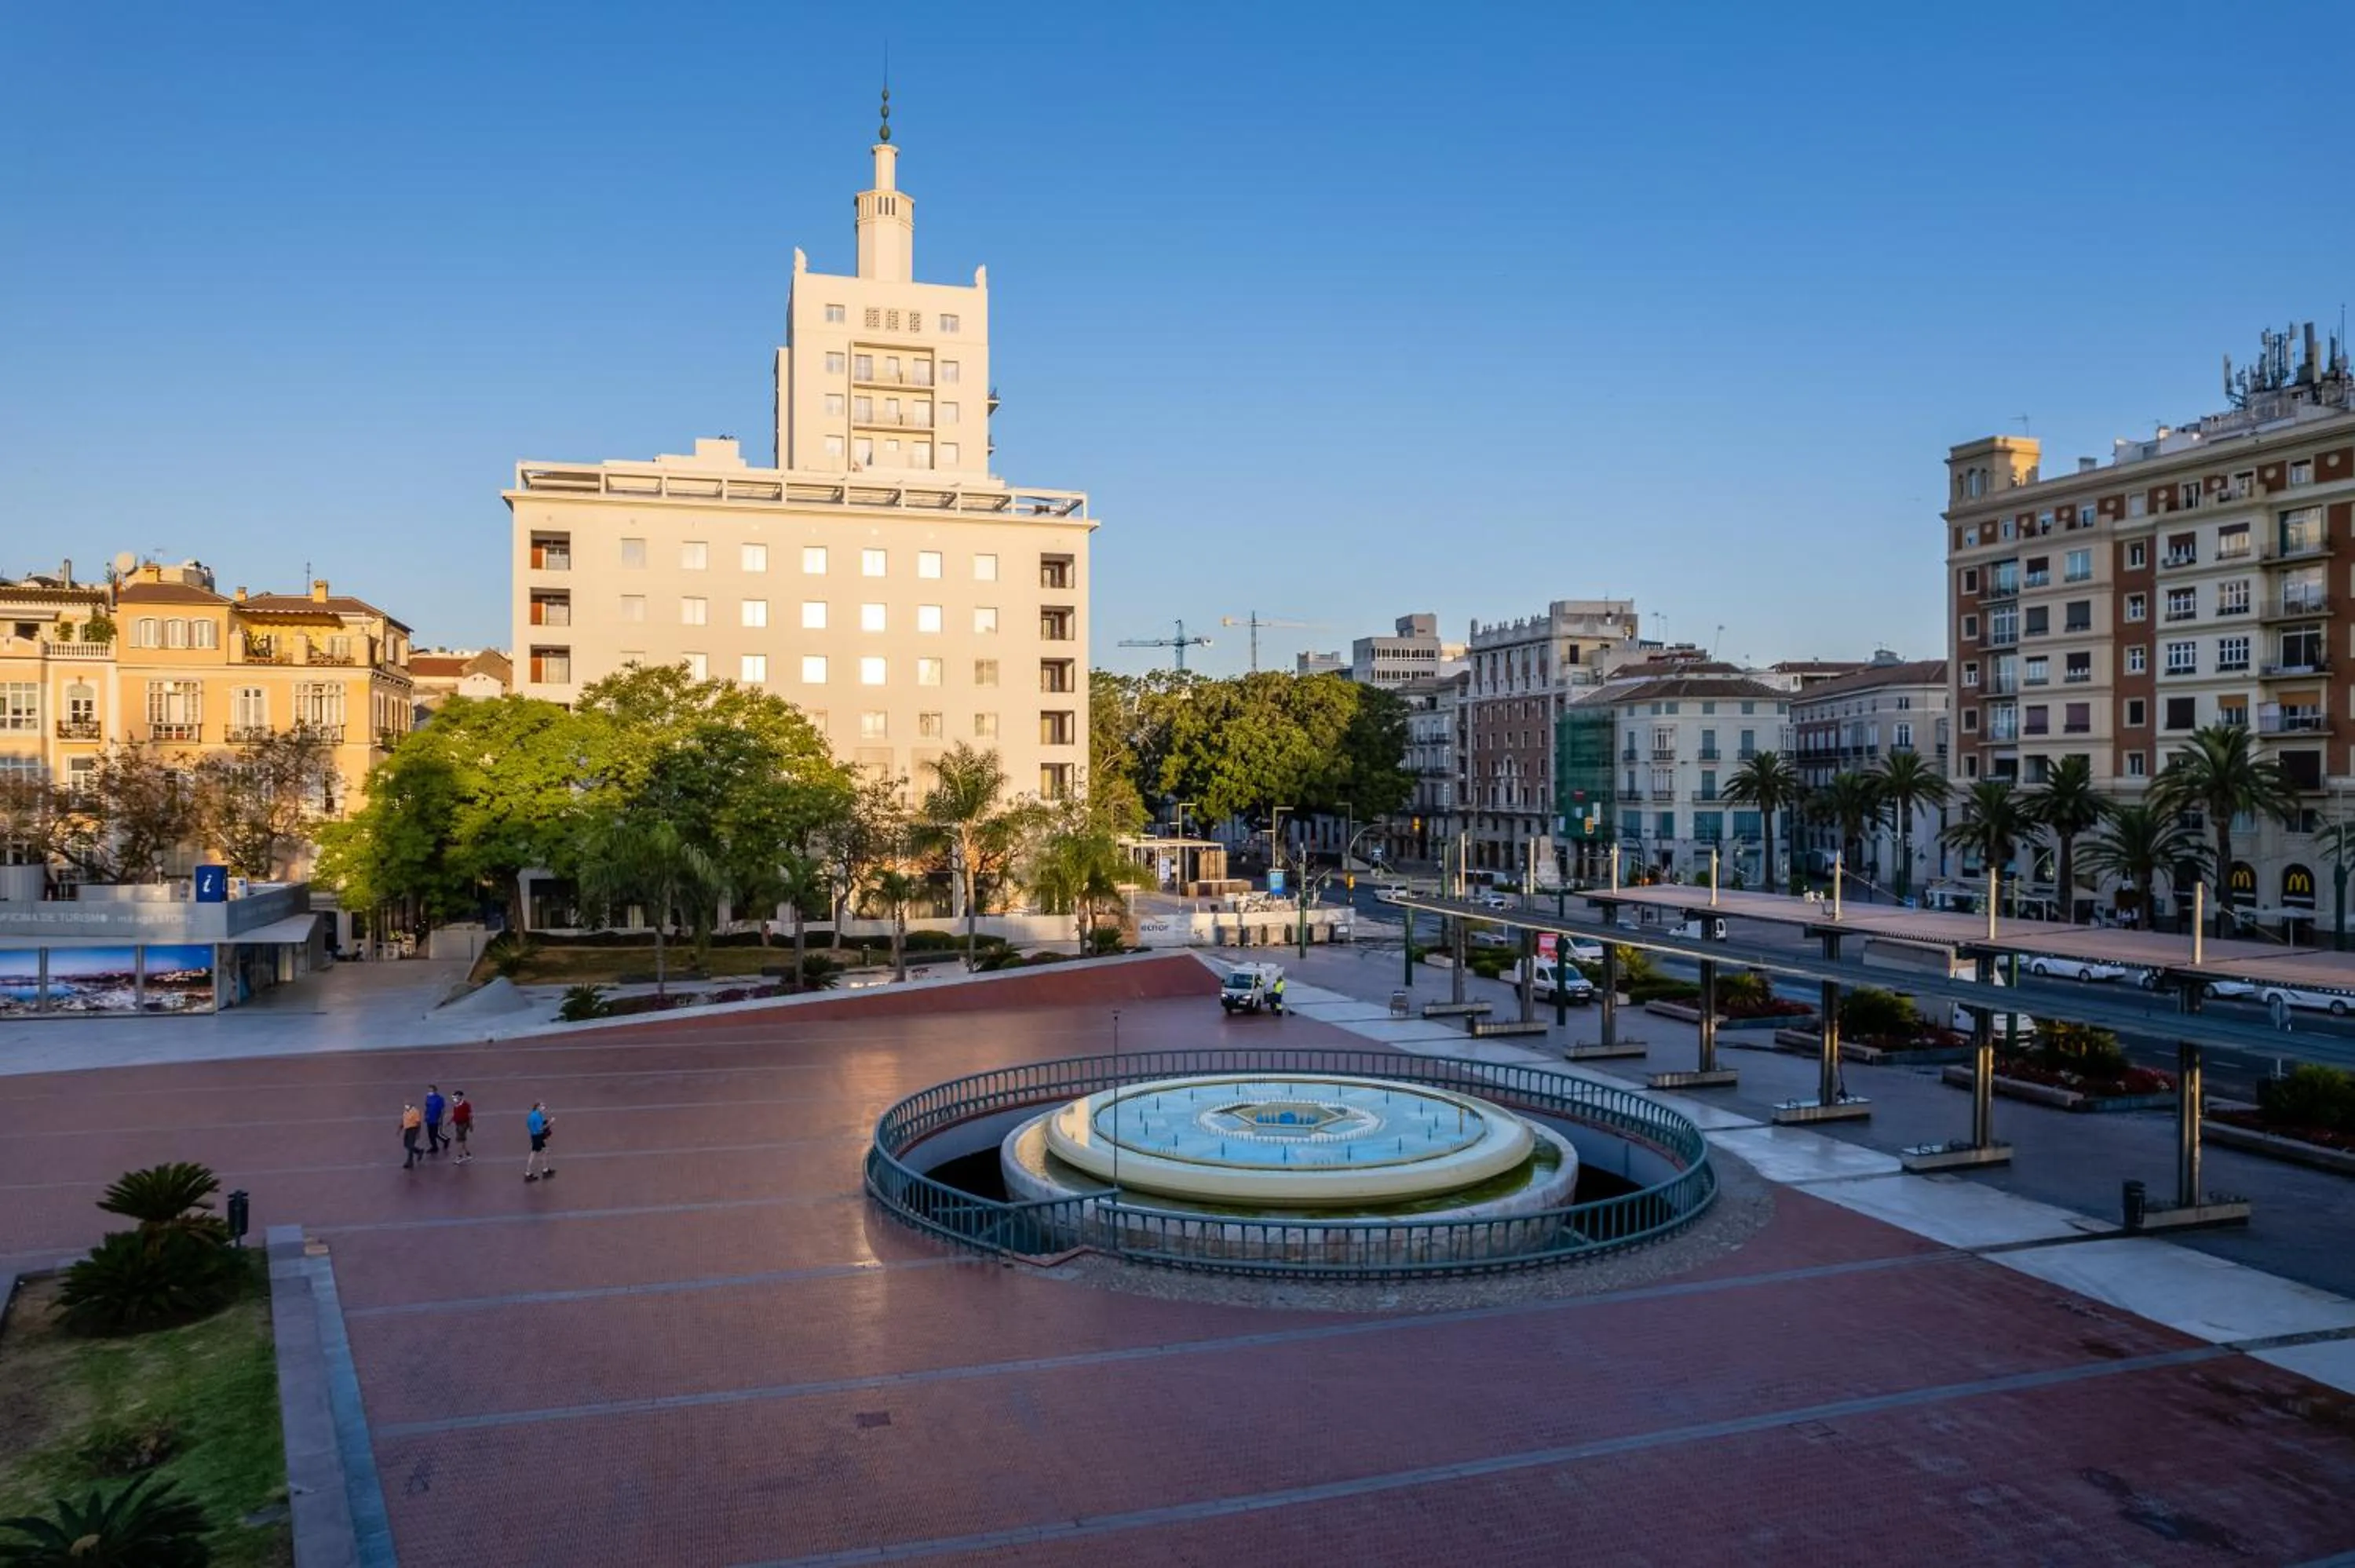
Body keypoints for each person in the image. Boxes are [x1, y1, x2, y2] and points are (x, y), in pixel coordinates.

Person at [524, 1101, 556, 1183]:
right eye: (542, 1106)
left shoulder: (535, 1114)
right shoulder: (537, 1117)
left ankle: (545, 1170)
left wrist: (546, 1122)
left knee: (545, 1150)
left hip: (535, 1135)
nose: (544, 1108)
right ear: (538, 1107)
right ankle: (528, 1173)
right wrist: (550, 1123)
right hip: (537, 1136)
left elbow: (538, 1122)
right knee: (533, 1153)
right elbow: (541, 1129)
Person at [449, 1090, 474, 1164]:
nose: (454, 1098)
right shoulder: (456, 1104)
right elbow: (455, 1114)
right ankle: (468, 1154)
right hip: (458, 1124)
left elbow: (470, 1115)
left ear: (460, 1096)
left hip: (463, 1124)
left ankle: (460, 1156)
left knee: (459, 1140)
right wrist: (451, 1121)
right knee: (462, 1140)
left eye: (456, 1096)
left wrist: (471, 1125)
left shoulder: (466, 1104)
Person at [422, 1085, 448, 1156]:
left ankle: (445, 1140)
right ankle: (434, 1147)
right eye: (429, 1090)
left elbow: (442, 1110)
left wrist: (440, 1118)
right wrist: (426, 1115)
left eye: (431, 1090)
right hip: (429, 1119)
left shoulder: (439, 1099)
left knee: (435, 1134)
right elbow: (427, 1107)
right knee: (430, 1134)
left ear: (435, 1091)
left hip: (436, 1119)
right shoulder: (428, 1098)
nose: (429, 1092)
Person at [400, 1103, 423, 1170]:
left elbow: (418, 1123)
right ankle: (419, 1151)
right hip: (407, 1129)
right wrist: (400, 1128)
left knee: (410, 1145)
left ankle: (410, 1162)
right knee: (406, 1144)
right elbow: (404, 1120)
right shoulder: (406, 1111)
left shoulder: (415, 1112)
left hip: (413, 1130)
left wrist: (418, 1133)